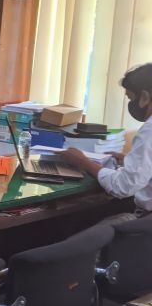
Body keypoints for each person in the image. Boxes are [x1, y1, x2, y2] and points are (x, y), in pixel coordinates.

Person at [60, 63, 152, 218]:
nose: (131, 105)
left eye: (131, 98)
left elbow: (123, 186)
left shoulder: (149, 130)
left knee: (80, 227)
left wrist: (84, 162)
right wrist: (130, 161)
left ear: (144, 97)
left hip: (144, 225)